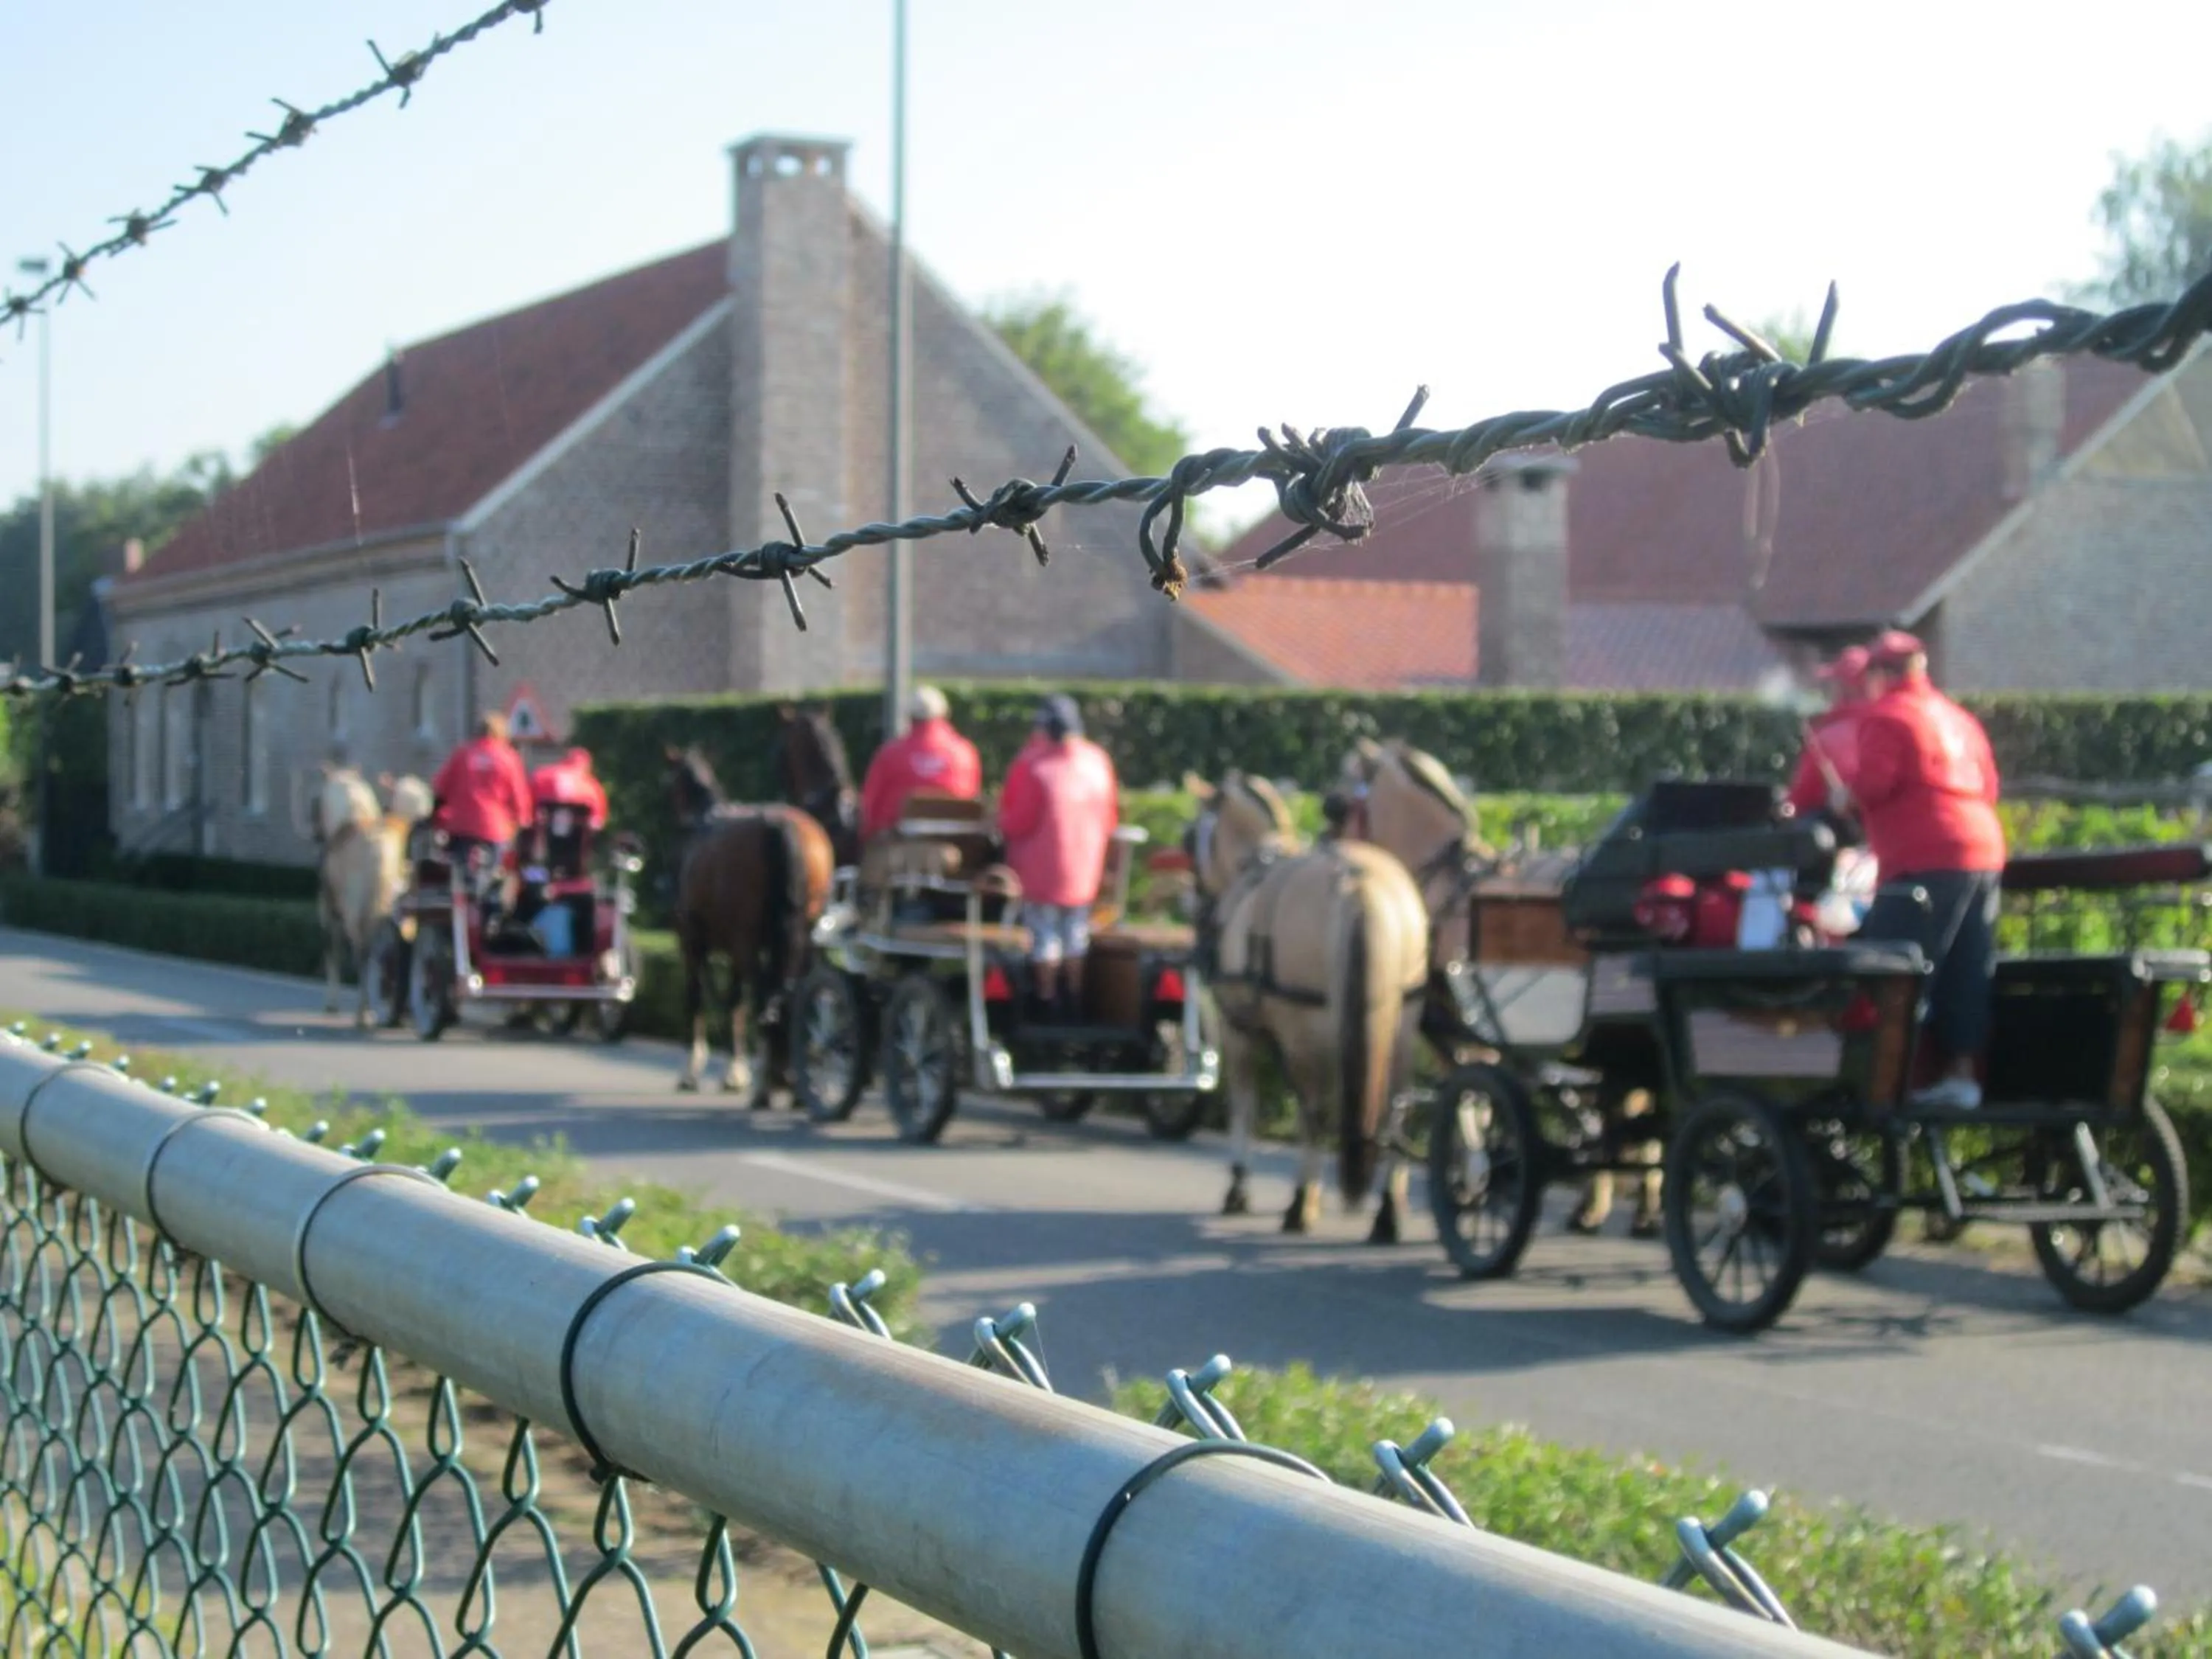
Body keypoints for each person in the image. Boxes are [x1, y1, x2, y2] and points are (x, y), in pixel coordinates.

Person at [1843, 630, 2007, 1109]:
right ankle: (1960, 1077)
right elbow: (1989, 786)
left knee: (1894, 967)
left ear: (1879, 676)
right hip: (1982, 852)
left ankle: (1887, 1084)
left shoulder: (1886, 716)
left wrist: (1842, 797)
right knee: (1966, 966)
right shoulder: (1958, 718)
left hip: (1925, 858)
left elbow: (1873, 784)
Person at [997, 693, 1120, 1019]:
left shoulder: (1033, 765)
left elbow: (1016, 821)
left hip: (1040, 873)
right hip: (1085, 871)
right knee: (1075, 935)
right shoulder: (1098, 762)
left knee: (1045, 936)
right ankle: (1075, 998)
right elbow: (1110, 818)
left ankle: (1047, 1000)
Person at [430, 711, 538, 902]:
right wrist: (523, 824)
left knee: (458, 878)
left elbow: (440, 790)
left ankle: (460, 912)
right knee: (494, 879)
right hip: (494, 830)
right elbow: (520, 800)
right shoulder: (508, 757)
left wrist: (436, 820)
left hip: (460, 828)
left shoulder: (462, 754)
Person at [859, 686, 982, 841]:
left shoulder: (890, 754)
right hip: (960, 844)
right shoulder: (965, 752)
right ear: (944, 714)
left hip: (898, 844)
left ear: (910, 717)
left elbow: (871, 806)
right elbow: (972, 795)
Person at [532, 746, 610, 830]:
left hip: (545, 822)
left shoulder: (543, 775)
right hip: (578, 829)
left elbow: (529, 797)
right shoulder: (590, 784)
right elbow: (599, 812)